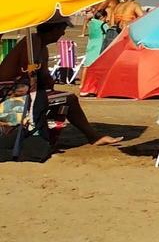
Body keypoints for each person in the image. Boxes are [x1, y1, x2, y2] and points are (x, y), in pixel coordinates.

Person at [0, 17, 118, 150]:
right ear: (53, 29)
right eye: (62, 29)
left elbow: (42, 76)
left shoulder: (39, 45)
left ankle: (49, 137)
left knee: (63, 99)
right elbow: (28, 72)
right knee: (69, 99)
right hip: (9, 90)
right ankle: (92, 137)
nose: (62, 33)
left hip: (21, 87)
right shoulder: (32, 43)